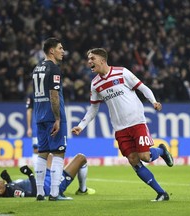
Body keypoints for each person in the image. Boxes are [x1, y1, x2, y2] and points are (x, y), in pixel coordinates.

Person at [71, 48, 174, 202]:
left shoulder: (122, 72)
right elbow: (94, 108)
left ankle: (161, 151)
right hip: (120, 128)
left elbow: (142, 87)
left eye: (92, 58)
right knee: (133, 160)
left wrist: (153, 102)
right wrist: (81, 125)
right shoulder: (95, 84)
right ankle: (161, 193)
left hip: (136, 121)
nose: (89, 62)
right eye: (88, 59)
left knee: (145, 156)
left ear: (102, 60)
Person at [32, 37, 68, 201]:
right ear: (51, 50)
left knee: (42, 153)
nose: (63, 51)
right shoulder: (54, 69)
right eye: (60, 48)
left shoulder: (37, 68)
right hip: (51, 116)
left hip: (39, 115)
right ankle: (54, 193)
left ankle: (39, 192)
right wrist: (58, 118)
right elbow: (54, 96)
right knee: (59, 153)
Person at [0, 153, 95, 198]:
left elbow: (13, 187)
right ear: (0, 191)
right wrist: (30, 174)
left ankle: (60, 170)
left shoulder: (8, 188)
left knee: (49, 155)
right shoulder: (13, 192)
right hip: (50, 185)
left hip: (43, 179)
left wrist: (7, 179)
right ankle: (83, 190)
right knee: (81, 158)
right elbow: (34, 193)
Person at [26, 93, 38, 170]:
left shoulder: (49, 92)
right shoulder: (32, 95)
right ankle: (38, 176)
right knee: (36, 149)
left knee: (49, 151)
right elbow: (29, 110)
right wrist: (29, 127)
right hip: (36, 125)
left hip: (47, 125)